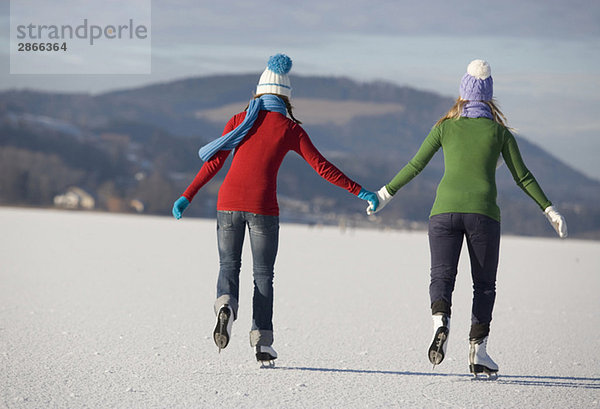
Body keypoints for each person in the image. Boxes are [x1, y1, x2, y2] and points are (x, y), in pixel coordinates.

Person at [172, 53, 378, 366]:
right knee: (263, 275)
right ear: (285, 96)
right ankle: (262, 344)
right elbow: (322, 167)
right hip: (262, 207)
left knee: (229, 265)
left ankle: (226, 304)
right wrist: (360, 191)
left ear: (259, 91)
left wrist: (187, 196)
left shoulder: (239, 121)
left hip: (227, 202)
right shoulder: (289, 128)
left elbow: (214, 161)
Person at [367, 59, 567, 378]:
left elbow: (415, 165)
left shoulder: (445, 127)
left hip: (443, 212)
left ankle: (440, 322)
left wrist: (382, 194)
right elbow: (524, 177)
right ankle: (478, 352)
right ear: (489, 97)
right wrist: (549, 209)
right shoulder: (500, 134)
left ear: (462, 95)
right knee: (484, 285)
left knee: (442, 276)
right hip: (483, 215)